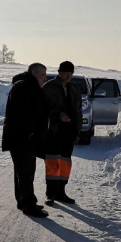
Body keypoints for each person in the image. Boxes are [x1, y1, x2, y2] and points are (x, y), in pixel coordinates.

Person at [1, 62, 49, 217]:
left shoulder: (30, 86)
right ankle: (29, 205)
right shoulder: (23, 87)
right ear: (34, 73)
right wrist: (30, 133)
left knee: (22, 172)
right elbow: (22, 115)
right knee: (26, 173)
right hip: (22, 140)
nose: (45, 78)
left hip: (25, 139)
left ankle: (23, 202)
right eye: (42, 74)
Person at [42, 61, 82, 205]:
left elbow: (79, 111)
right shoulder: (49, 87)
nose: (68, 76)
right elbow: (42, 109)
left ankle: (61, 192)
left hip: (69, 132)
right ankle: (50, 194)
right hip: (53, 131)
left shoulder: (74, 89)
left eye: (70, 73)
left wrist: (78, 129)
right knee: (53, 163)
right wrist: (58, 115)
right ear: (59, 72)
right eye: (65, 73)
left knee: (65, 164)